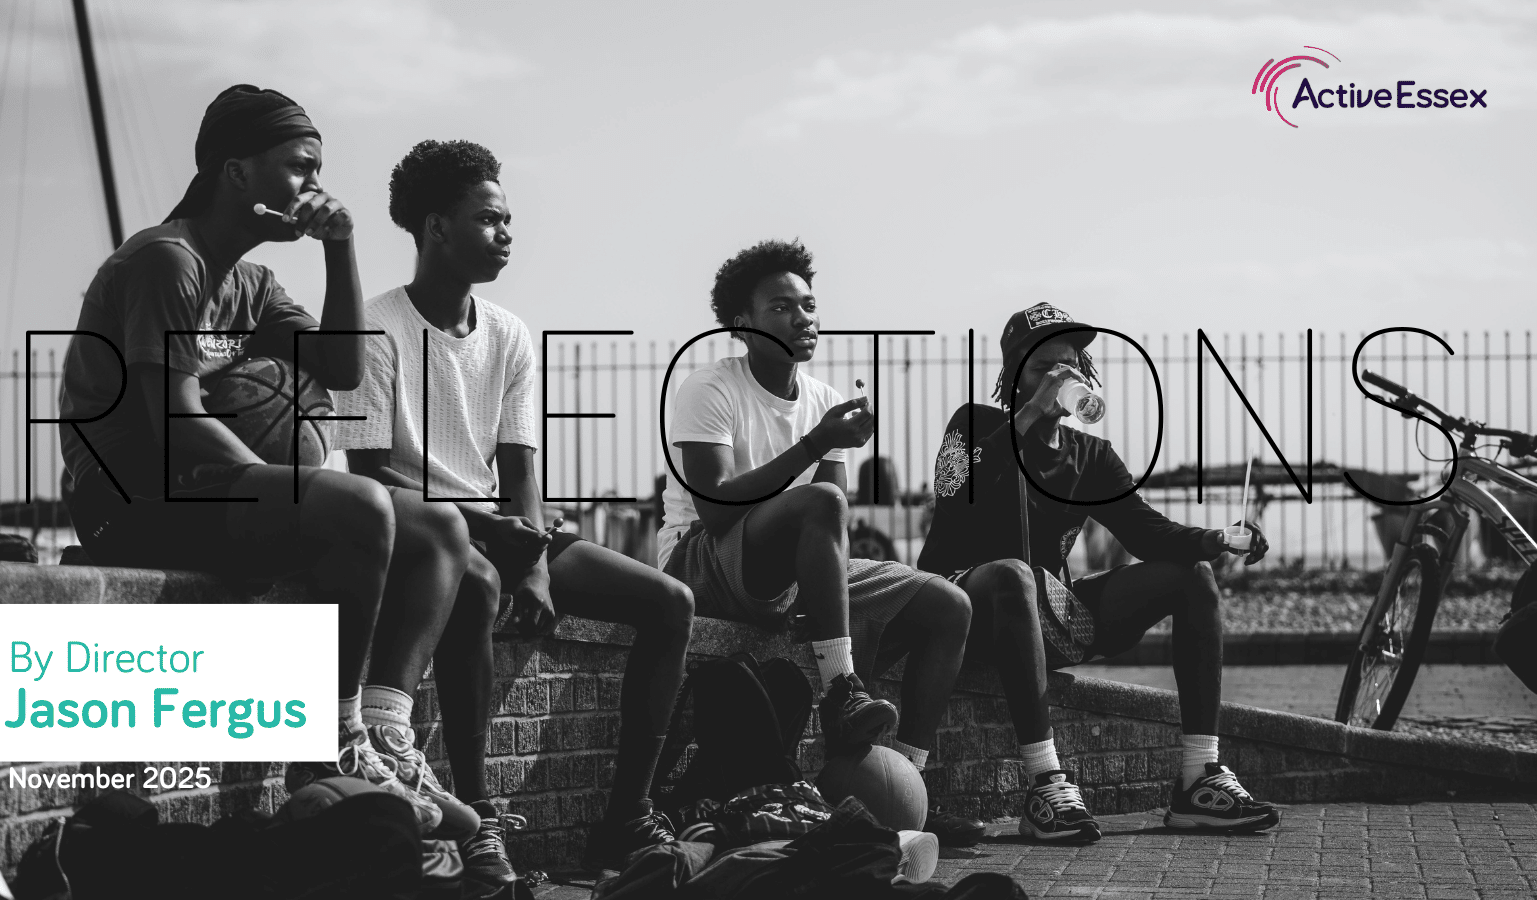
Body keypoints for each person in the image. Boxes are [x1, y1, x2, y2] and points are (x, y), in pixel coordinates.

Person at [58, 85, 477, 837]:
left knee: (441, 528)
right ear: (235, 172)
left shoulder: (252, 284)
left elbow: (343, 368)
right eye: (300, 167)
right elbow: (174, 416)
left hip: (207, 491)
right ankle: (328, 744)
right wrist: (277, 480)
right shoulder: (167, 260)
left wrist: (341, 245)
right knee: (359, 505)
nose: (314, 186)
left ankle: (384, 733)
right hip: (128, 501)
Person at [335, 140, 697, 879]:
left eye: (507, 219)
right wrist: (491, 536)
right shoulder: (374, 328)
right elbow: (369, 476)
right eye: (489, 218)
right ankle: (480, 820)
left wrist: (534, 562)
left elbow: (520, 469)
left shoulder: (508, 333)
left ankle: (626, 818)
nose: (506, 233)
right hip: (423, 532)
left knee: (671, 603)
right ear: (436, 227)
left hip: (505, 530)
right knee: (476, 581)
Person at [659, 239, 982, 845]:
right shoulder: (709, 387)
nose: (803, 318)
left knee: (949, 605)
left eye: (808, 305)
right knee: (822, 499)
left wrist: (827, 449)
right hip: (701, 558)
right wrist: (813, 444)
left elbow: (833, 519)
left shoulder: (825, 400)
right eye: (781, 308)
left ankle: (904, 787)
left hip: (782, 567)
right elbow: (716, 506)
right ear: (742, 324)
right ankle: (842, 688)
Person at [918, 302, 1279, 842]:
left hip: (1045, 618)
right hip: (964, 612)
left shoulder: (1091, 456)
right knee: (1015, 575)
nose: (1059, 377)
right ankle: (1045, 782)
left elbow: (1147, 533)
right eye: (1042, 368)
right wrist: (1026, 419)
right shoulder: (974, 425)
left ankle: (1198, 777)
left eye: (1069, 364)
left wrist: (1218, 538)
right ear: (1013, 378)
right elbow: (954, 498)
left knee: (1194, 576)